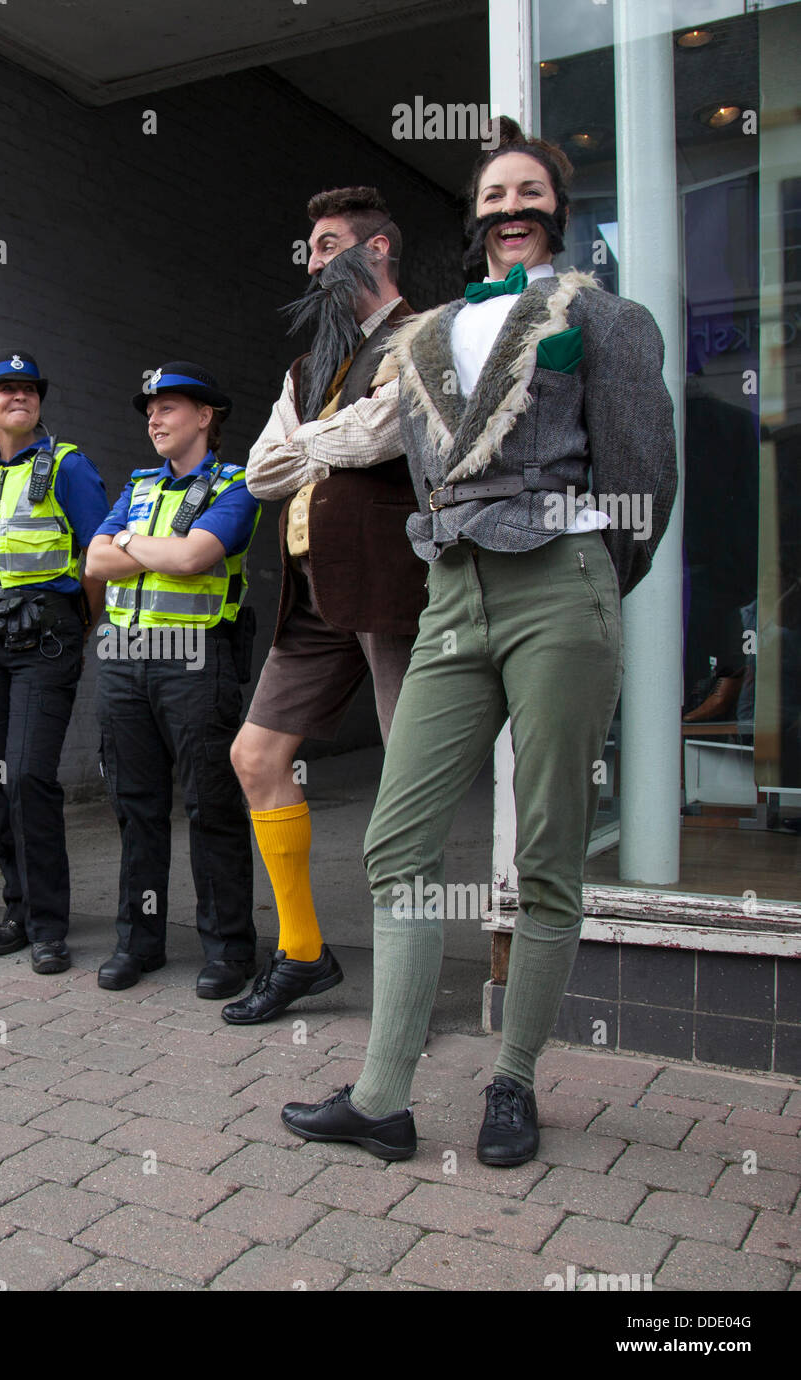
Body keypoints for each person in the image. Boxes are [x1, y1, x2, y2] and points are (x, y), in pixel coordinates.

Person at [281, 119, 677, 1165]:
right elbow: (413, 468)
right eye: (494, 195)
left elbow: (643, 474)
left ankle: (512, 1083)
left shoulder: (604, 316)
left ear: (557, 207)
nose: (510, 208)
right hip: (450, 593)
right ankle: (382, 1097)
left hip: (562, 585)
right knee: (396, 839)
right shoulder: (429, 333)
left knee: (546, 855)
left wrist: (588, 575)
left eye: (528, 192)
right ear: (475, 216)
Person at [224, 187, 424, 1024]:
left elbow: (387, 435)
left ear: (377, 251)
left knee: (414, 786)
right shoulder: (309, 366)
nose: (312, 261)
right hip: (313, 594)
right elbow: (257, 474)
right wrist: (318, 445)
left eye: (329, 243)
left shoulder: (428, 336)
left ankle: (412, 984)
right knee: (255, 758)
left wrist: (302, 443)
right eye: (308, 247)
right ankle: (304, 954)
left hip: (390, 587)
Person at [86, 363, 261, 999]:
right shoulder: (136, 487)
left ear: (205, 417)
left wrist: (129, 542)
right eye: (150, 410)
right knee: (136, 808)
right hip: (125, 658)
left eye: (168, 408)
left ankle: (228, 949)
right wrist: (142, 543)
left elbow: (194, 559)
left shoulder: (237, 485)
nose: (154, 419)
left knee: (210, 807)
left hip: (194, 660)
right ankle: (140, 941)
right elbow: (94, 562)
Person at [0, 350, 108, 976]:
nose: (19, 396)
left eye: (29, 389)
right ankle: (17, 908)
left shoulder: (68, 466)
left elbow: (100, 552)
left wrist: (84, 621)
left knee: (27, 776)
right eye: (5, 389)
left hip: (46, 639)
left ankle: (49, 923)